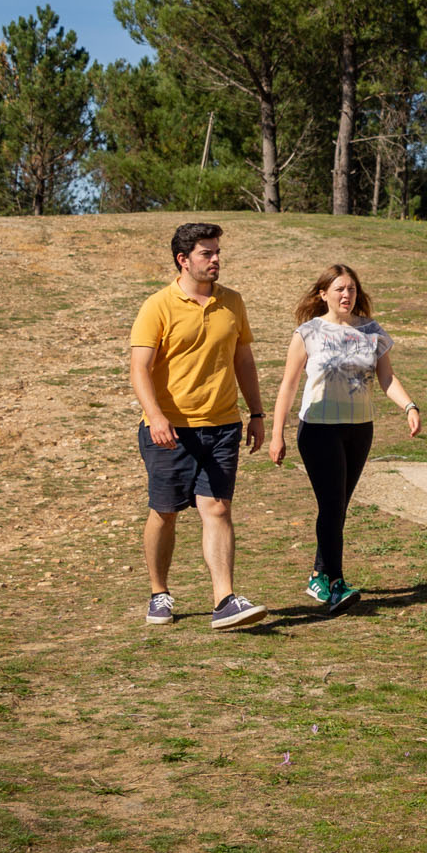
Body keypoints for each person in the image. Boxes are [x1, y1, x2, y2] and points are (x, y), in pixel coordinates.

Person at [127, 222, 269, 629]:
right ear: (183, 260)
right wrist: (155, 416)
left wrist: (256, 413)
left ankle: (224, 599)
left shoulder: (233, 303)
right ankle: (159, 592)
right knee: (165, 511)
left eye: (217, 252)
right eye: (207, 253)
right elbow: (140, 368)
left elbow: (243, 361)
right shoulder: (158, 305)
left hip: (223, 424)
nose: (216, 259)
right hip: (169, 429)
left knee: (218, 508)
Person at [269, 263, 421, 611]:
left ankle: (319, 575)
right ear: (323, 293)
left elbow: (387, 379)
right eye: (339, 289)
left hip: (359, 429)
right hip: (319, 429)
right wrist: (277, 435)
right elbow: (289, 386)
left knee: (337, 507)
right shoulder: (308, 333)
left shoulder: (372, 331)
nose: (346, 295)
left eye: (351, 289)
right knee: (333, 504)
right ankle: (335, 583)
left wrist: (410, 406)